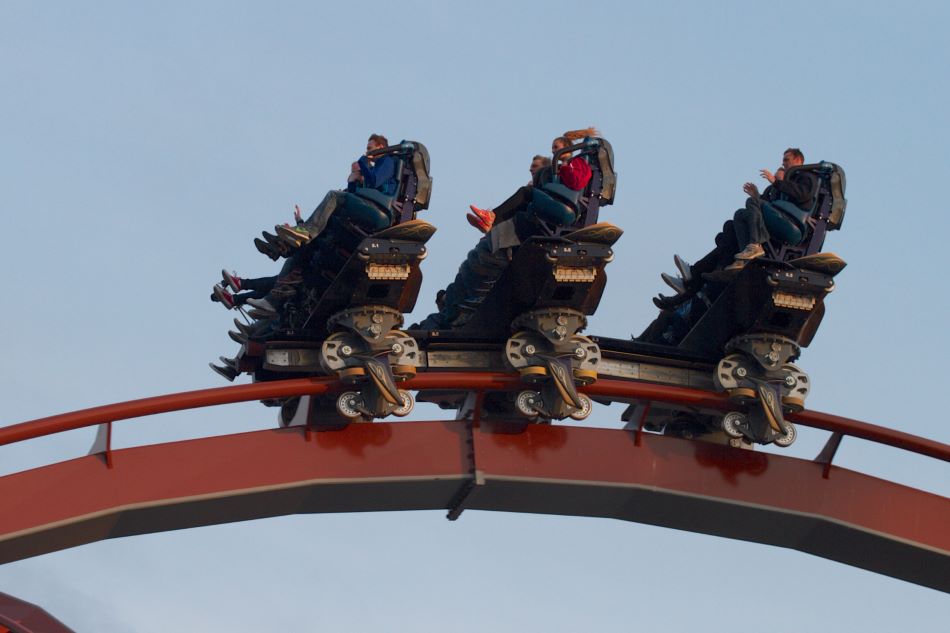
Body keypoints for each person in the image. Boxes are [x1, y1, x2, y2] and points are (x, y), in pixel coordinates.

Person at [415, 128, 598, 330]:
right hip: (528, 227)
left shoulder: (573, 167)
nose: (553, 151)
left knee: (481, 261)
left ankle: (491, 221)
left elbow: (574, 181)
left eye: (556, 148)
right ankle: (450, 304)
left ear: (569, 149)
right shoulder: (555, 174)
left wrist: (548, 179)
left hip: (528, 229)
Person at [467, 155, 551, 233]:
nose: (530, 169)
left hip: (545, 211)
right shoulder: (532, 186)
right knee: (518, 207)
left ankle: (491, 219)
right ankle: (490, 226)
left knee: (523, 192)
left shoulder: (549, 182)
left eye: (535, 166)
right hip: (530, 213)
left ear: (545, 168)